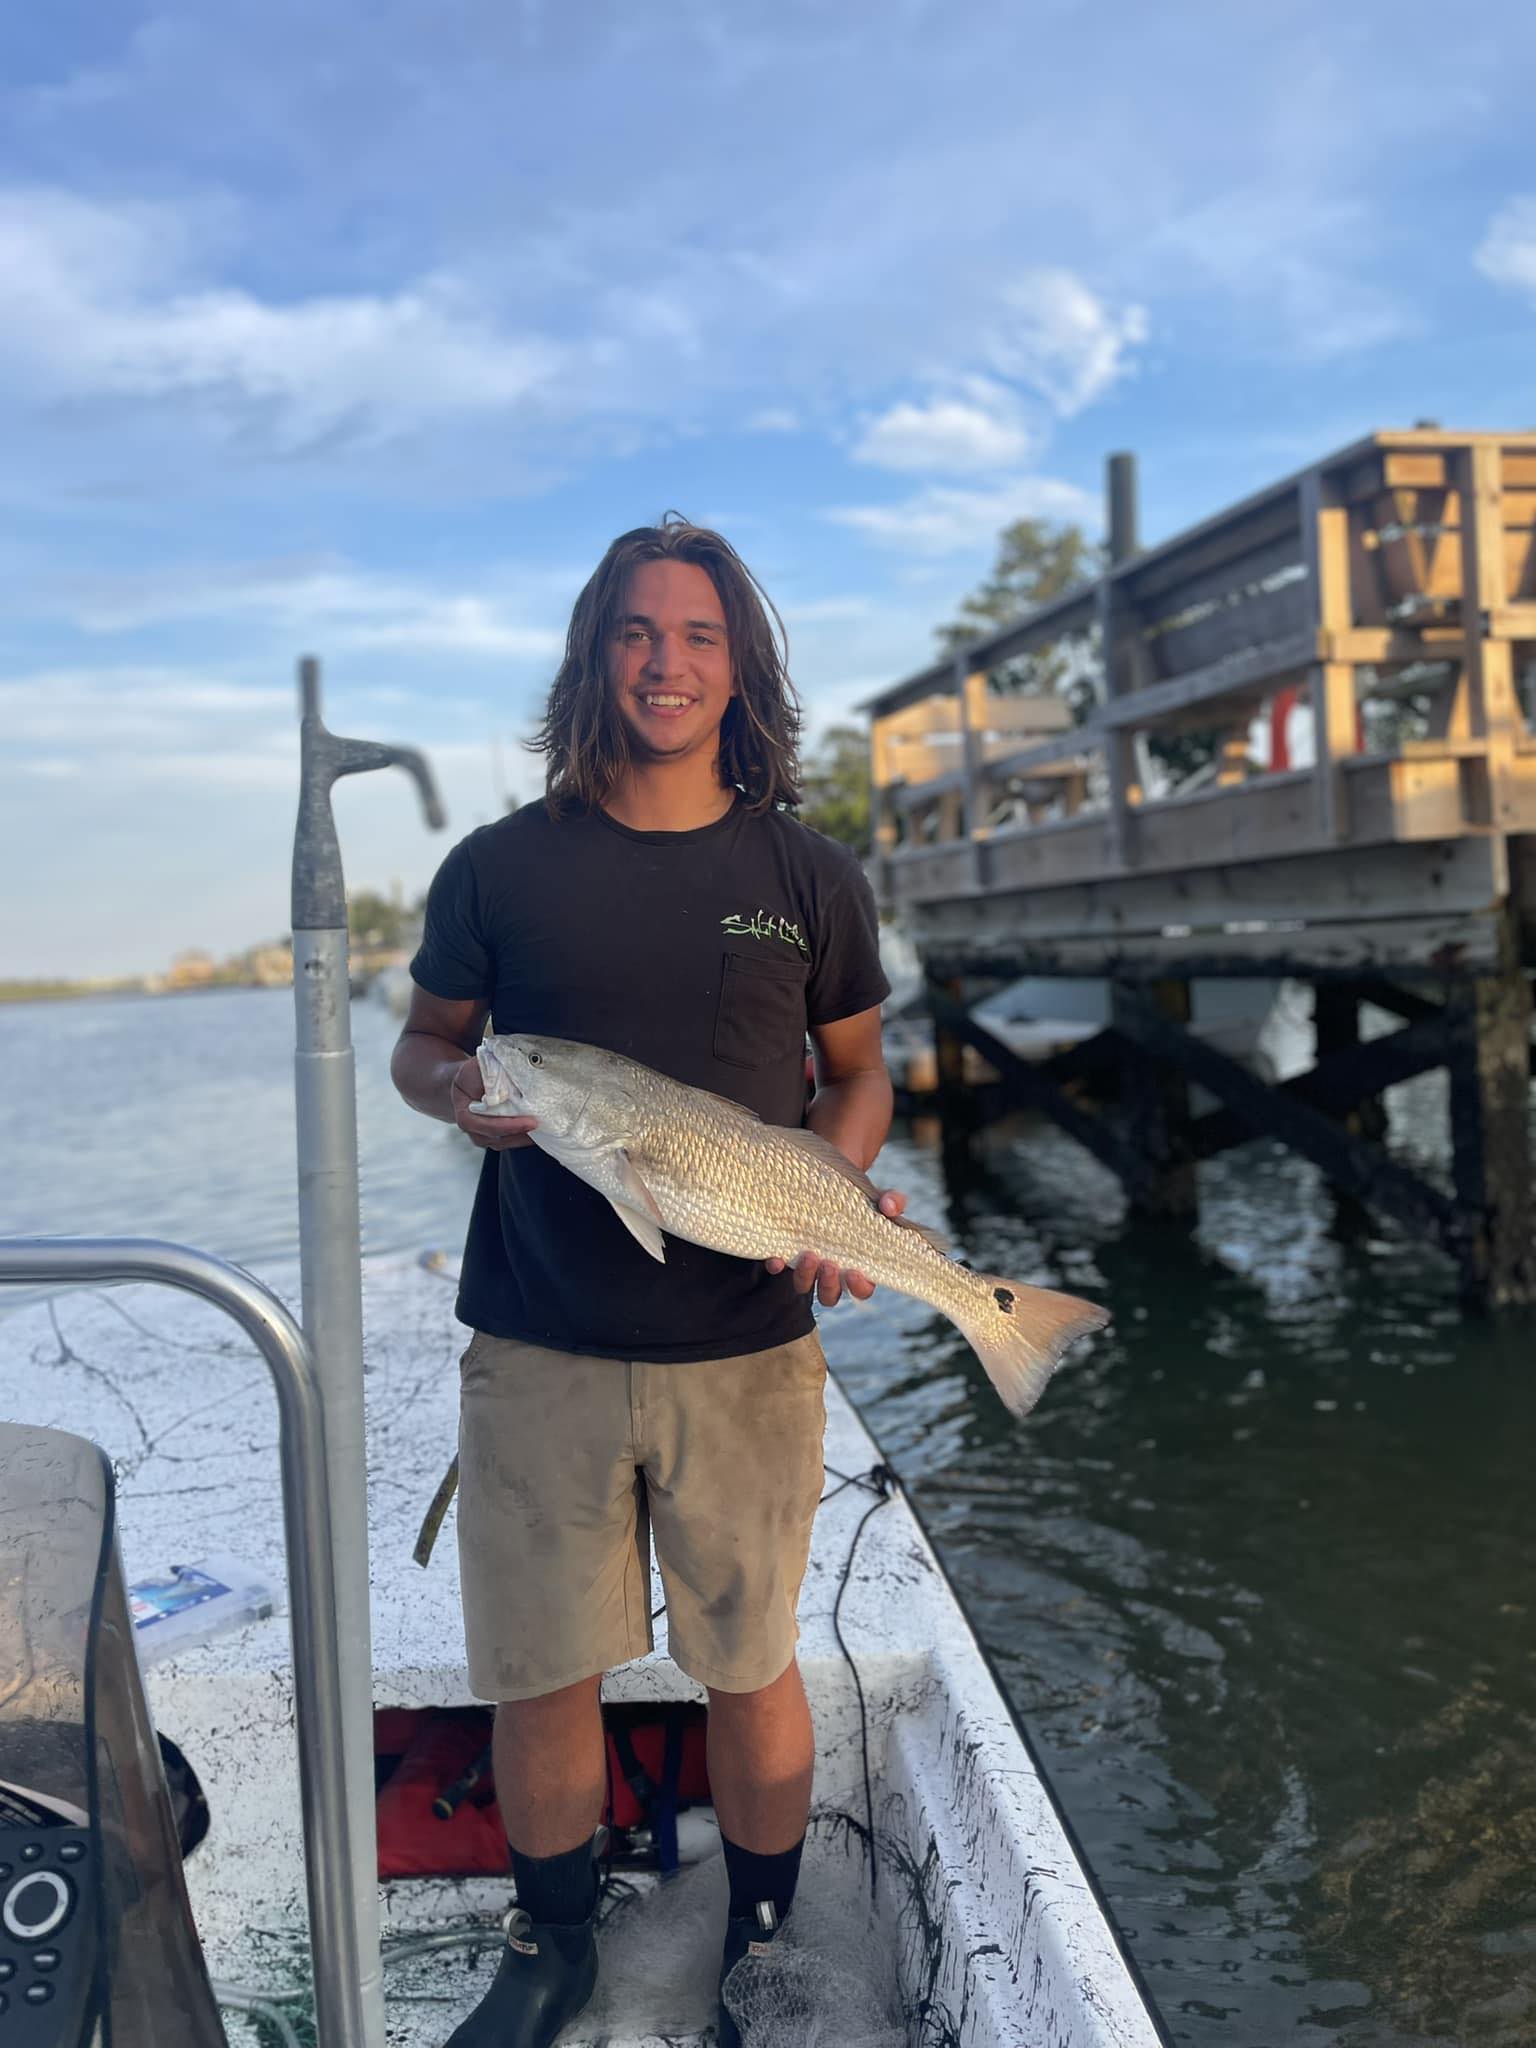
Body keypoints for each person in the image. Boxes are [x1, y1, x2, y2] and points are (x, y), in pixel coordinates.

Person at [391, 516, 898, 2048]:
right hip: (537, 1340)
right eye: (635, 631)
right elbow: (426, 1045)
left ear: (738, 669)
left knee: (750, 1666)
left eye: (696, 636)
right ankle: (552, 1949)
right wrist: (453, 1096)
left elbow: (858, 1075)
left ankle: (759, 1947)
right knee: (541, 1674)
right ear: (592, 655)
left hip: (746, 1348)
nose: (664, 663)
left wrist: (832, 1195)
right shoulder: (498, 868)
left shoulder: (807, 873)